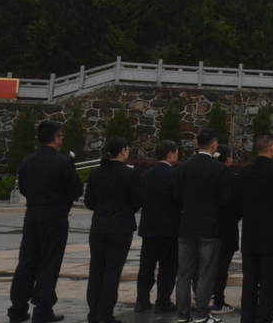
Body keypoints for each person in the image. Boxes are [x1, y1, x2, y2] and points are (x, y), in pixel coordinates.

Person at [8, 119, 84, 323]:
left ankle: (17, 309)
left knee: (26, 261)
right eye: (61, 136)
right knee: (49, 262)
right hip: (55, 216)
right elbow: (76, 190)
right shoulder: (64, 162)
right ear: (56, 139)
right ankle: (42, 310)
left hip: (32, 214)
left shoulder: (27, 161)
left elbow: (23, 188)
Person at [174, 129, 234, 323]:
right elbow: (226, 201)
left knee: (184, 274)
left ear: (196, 143)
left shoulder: (183, 167)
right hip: (210, 227)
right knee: (206, 274)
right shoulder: (219, 169)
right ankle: (201, 315)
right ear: (214, 145)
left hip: (187, 226)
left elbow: (177, 197)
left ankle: (183, 316)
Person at [237, 133, 273, 323]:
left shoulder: (245, 173)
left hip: (250, 234)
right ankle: (264, 317)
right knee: (268, 281)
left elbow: (237, 203)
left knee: (249, 280)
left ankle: (247, 317)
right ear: (272, 148)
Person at [85, 136, 144, 323]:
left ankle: (93, 312)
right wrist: (125, 211)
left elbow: (89, 202)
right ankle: (105, 314)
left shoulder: (96, 173)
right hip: (121, 227)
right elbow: (139, 200)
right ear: (123, 151)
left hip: (99, 226)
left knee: (96, 270)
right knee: (112, 271)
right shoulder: (130, 174)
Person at [137, 140, 181, 313]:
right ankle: (163, 301)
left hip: (149, 227)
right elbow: (179, 200)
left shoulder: (147, 175)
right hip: (169, 228)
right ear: (170, 154)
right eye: (176, 153)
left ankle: (142, 300)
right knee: (168, 267)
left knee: (146, 266)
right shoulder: (175, 175)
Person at [210, 145, 240, 315]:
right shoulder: (228, 176)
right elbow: (234, 204)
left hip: (208, 226)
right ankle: (218, 301)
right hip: (226, 228)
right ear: (227, 158)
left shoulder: (208, 173)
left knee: (205, 266)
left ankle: (202, 297)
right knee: (222, 266)